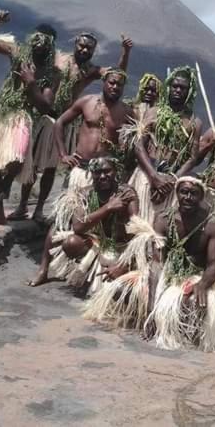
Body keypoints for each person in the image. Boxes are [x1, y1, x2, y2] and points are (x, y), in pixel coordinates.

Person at [8, 33, 133, 223]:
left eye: (89, 48)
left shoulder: (91, 70)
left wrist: (125, 52)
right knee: (33, 164)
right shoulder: (58, 59)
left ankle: (40, 209)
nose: (84, 50)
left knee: (50, 168)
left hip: (65, 118)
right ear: (75, 44)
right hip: (45, 116)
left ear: (93, 51)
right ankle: (22, 205)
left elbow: (116, 75)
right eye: (82, 46)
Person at [26, 69, 134, 286]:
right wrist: (63, 155)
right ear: (105, 82)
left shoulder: (126, 112)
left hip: (106, 174)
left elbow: (135, 143)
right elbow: (59, 123)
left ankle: (90, 269)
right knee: (62, 220)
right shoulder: (87, 102)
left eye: (119, 85)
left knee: (100, 220)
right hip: (81, 171)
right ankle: (43, 269)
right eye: (112, 83)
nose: (115, 87)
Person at [141, 177, 215, 352]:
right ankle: (161, 319)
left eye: (193, 193)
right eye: (183, 192)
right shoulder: (163, 219)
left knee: (192, 304)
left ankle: (181, 328)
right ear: (177, 194)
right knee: (130, 293)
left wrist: (203, 284)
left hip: (195, 275)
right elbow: (156, 263)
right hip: (167, 274)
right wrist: (151, 311)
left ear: (202, 197)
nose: (188, 197)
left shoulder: (212, 223)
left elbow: (213, 265)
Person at [0, 9, 59, 227]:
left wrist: (31, 83)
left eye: (44, 42)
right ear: (31, 39)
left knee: (17, 157)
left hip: (22, 115)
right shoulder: (17, 52)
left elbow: (45, 105)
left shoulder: (52, 73)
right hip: (0, 111)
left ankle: (7, 182)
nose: (39, 44)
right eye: (36, 39)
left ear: (50, 46)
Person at [46, 157, 138, 296]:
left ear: (115, 171)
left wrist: (123, 264)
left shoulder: (126, 193)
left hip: (123, 248)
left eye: (107, 171)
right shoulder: (85, 194)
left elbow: (138, 231)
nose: (102, 176)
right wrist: (107, 208)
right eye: (97, 172)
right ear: (91, 173)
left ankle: (120, 272)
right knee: (71, 242)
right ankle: (88, 274)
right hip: (98, 243)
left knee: (118, 293)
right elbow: (78, 227)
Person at [131, 66, 203, 225]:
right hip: (146, 175)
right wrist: (153, 177)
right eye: (175, 86)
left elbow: (192, 158)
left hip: (171, 181)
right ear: (168, 87)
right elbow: (139, 145)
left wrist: (173, 180)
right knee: (137, 223)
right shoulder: (153, 112)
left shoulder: (194, 122)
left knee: (159, 229)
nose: (177, 90)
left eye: (182, 88)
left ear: (189, 92)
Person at [120, 73, 162, 181]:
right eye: (146, 89)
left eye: (153, 91)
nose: (149, 93)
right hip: (127, 162)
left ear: (158, 94)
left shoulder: (160, 114)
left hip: (148, 163)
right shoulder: (131, 109)